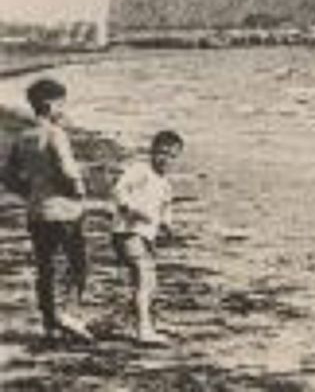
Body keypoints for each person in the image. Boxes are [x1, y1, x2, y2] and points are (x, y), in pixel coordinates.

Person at [0, 78, 92, 341]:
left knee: (46, 267)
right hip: (64, 210)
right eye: (61, 104)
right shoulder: (55, 133)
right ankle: (68, 314)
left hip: (37, 211)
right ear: (50, 105)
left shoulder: (23, 137)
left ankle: (49, 322)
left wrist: (28, 192)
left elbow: (6, 175)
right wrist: (78, 190)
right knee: (78, 264)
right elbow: (66, 168)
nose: (64, 109)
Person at [112, 130, 184, 345]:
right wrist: (130, 208)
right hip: (127, 232)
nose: (165, 159)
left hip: (146, 236)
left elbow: (165, 207)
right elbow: (119, 189)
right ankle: (143, 328)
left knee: (149, 281)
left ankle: (135, 319)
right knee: (143, 277)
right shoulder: (140, 171)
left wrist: (167, 226)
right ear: (151, 151)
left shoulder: (165, 183)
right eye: (161, 153)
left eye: (171, 156)